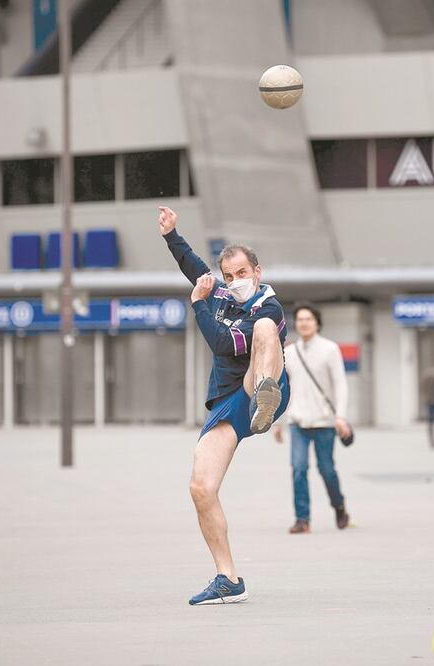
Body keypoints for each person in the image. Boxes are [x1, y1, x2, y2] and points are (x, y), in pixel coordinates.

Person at [158, 205, 291, 606]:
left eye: (242, 274)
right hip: (226, 401)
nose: (235, 282)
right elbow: (194, 267)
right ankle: (228, 578)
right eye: (228, 276)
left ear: (257, 271)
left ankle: (266, 401)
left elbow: (220, 342)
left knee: (266, 331)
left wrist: (197, 305)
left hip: (259, 383)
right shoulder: (217, 292)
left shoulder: (267, 307)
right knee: (201, 488)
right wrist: (171, 235)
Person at [273, 304, 352, 534]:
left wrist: (341, 417)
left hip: (325, 422)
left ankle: (339, 506)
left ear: (317, 323)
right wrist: (277, 422)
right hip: (298, 422)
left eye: (308, 319)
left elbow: (340, 385)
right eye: (299, 319)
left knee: (326, 469)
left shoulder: (330, 349)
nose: (303, 323)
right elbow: (282, 389)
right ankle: (302, 519)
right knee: (298, 468)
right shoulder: (289, 352)